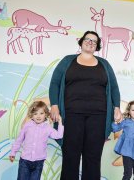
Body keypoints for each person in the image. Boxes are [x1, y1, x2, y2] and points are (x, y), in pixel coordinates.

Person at [49, 30, 122, 180]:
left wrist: (116, 107)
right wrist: (54, 105)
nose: (90, 42)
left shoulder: (104, 64)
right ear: (81, 42)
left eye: (94, 41)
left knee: (93, 157)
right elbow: (55, 83)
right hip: (72, 115)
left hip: (98, 116)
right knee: (70, 155)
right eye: (87, 39)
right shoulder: (67, 61)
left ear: (97, 46)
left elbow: (114, 87)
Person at [9, 101, 64, 180]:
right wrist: (13, 152)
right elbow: (19, 140)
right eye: (35, 113)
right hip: (25, 161)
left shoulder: (47, 128)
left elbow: (59, 135)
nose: (38, 116)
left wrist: (60, 122)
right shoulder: (27, 125)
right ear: (31, 115)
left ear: (46, 114)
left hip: (39, 162)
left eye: (41, 113)